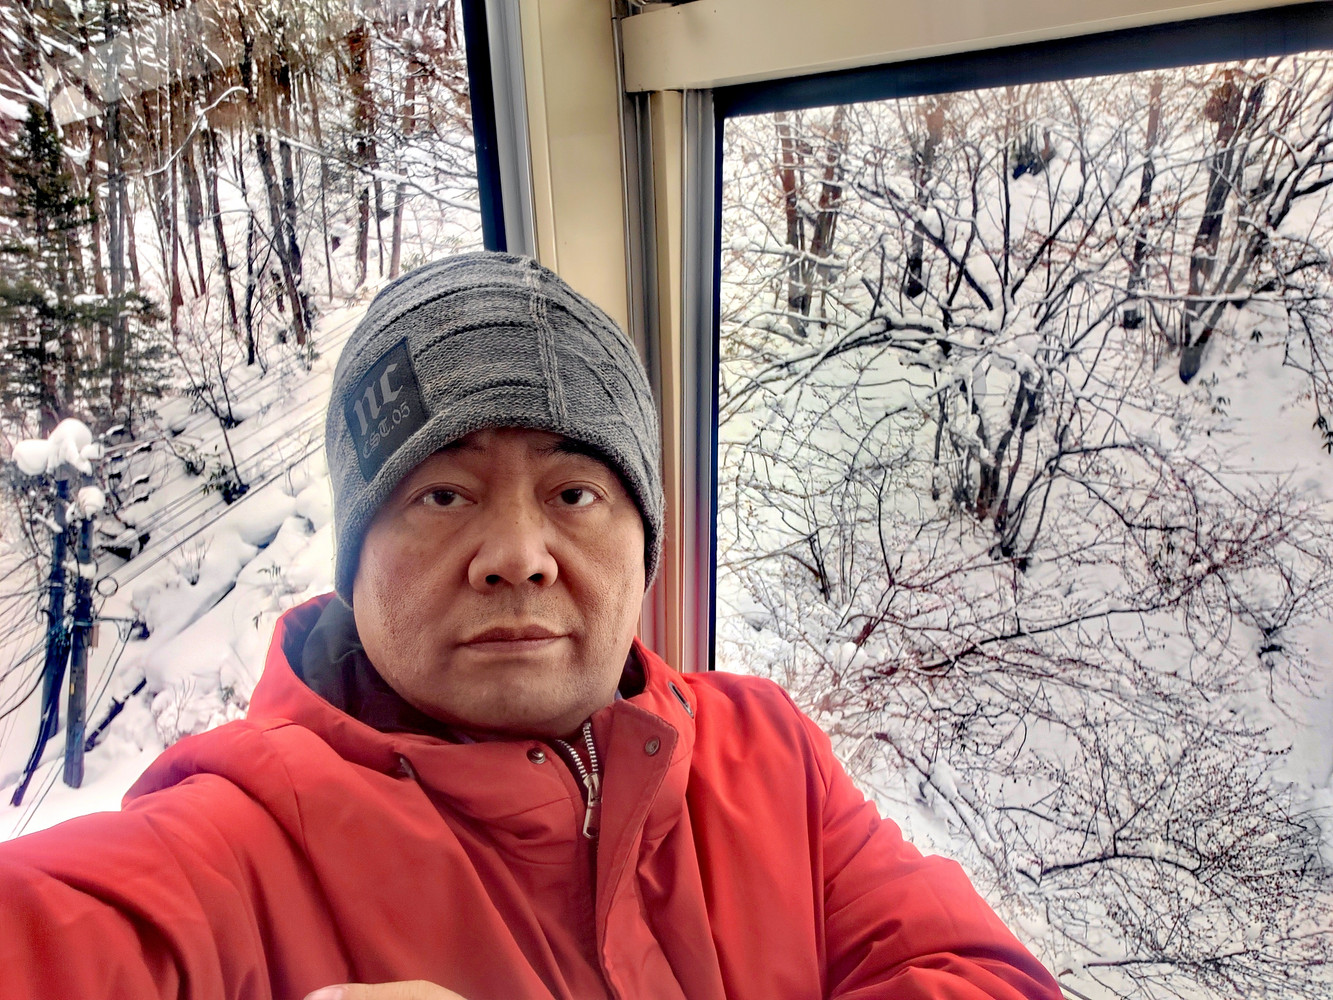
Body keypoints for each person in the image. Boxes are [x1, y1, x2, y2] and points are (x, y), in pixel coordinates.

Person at [0, 252, 1062, 1000]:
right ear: (355, 559)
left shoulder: (765, 754)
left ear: (643, 547)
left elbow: (981, 976)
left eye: (574, 493)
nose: (517, 553)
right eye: (443, 494)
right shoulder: (244, 842)